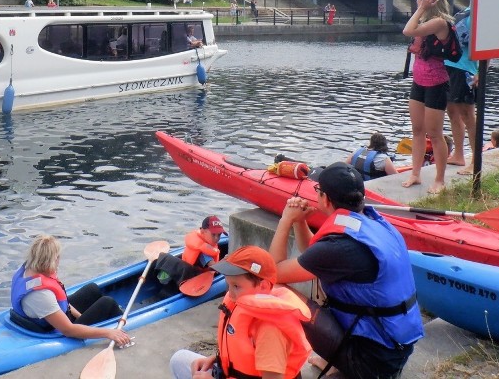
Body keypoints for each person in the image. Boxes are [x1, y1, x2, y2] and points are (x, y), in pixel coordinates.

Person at [270, 162, 424, 379]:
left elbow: (273, 272)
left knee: (274, 290)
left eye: (318, 191)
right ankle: (337, 359)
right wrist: (300, 222)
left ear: (326, 199)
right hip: (393, 345)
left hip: (372, 361)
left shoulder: (340, 247)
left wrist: (286, 220)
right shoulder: (372, 222)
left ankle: (284, 367)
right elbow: (315, 258)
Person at [169, 246, 312, 379]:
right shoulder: (242, 304)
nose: (230, 294)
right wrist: (219, 359)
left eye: (236, 286)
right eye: (228, 284)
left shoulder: (270, 331)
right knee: (179, 359)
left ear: (263, 287)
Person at [10, 235, 131, 346]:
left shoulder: (29, 269)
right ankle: (127, 327)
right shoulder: (40, 295)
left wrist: (81, 317)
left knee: (92, 289)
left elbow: (62, 303)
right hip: (57, 330)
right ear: (51, 260)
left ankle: (110, 320)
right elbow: (67, 330)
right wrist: (107, 333)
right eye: (57, 257)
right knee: (107, 303)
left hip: (52, 317)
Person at [401, 0, 454, 194]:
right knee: (417, 130)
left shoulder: (440, 22)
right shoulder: (423, 20)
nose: (416, 1)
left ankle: (439, 179)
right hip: (419, 81)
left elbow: (408, 30)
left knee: (434, 133)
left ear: (429, 1)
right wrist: (420, 11)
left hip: (436, 83)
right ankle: (415, 173)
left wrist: (421, 8)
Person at [445, 5, 477, 174]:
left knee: (467, 115)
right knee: (452, 112)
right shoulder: (465, 11)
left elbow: (490, 42)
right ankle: (458, 155)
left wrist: (481, 72)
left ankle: (475, 161)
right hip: (449, 65)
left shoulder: (482, 13)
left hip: (466, 69)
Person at [155, 215, 226, 288]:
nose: (216, 238)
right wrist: (226, 261)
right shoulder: (203, 252)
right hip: (191, 276)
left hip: (186, 269)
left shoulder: (203, 243)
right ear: (203, 231)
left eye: (219, 235)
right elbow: (215, 267)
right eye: (213, 234)